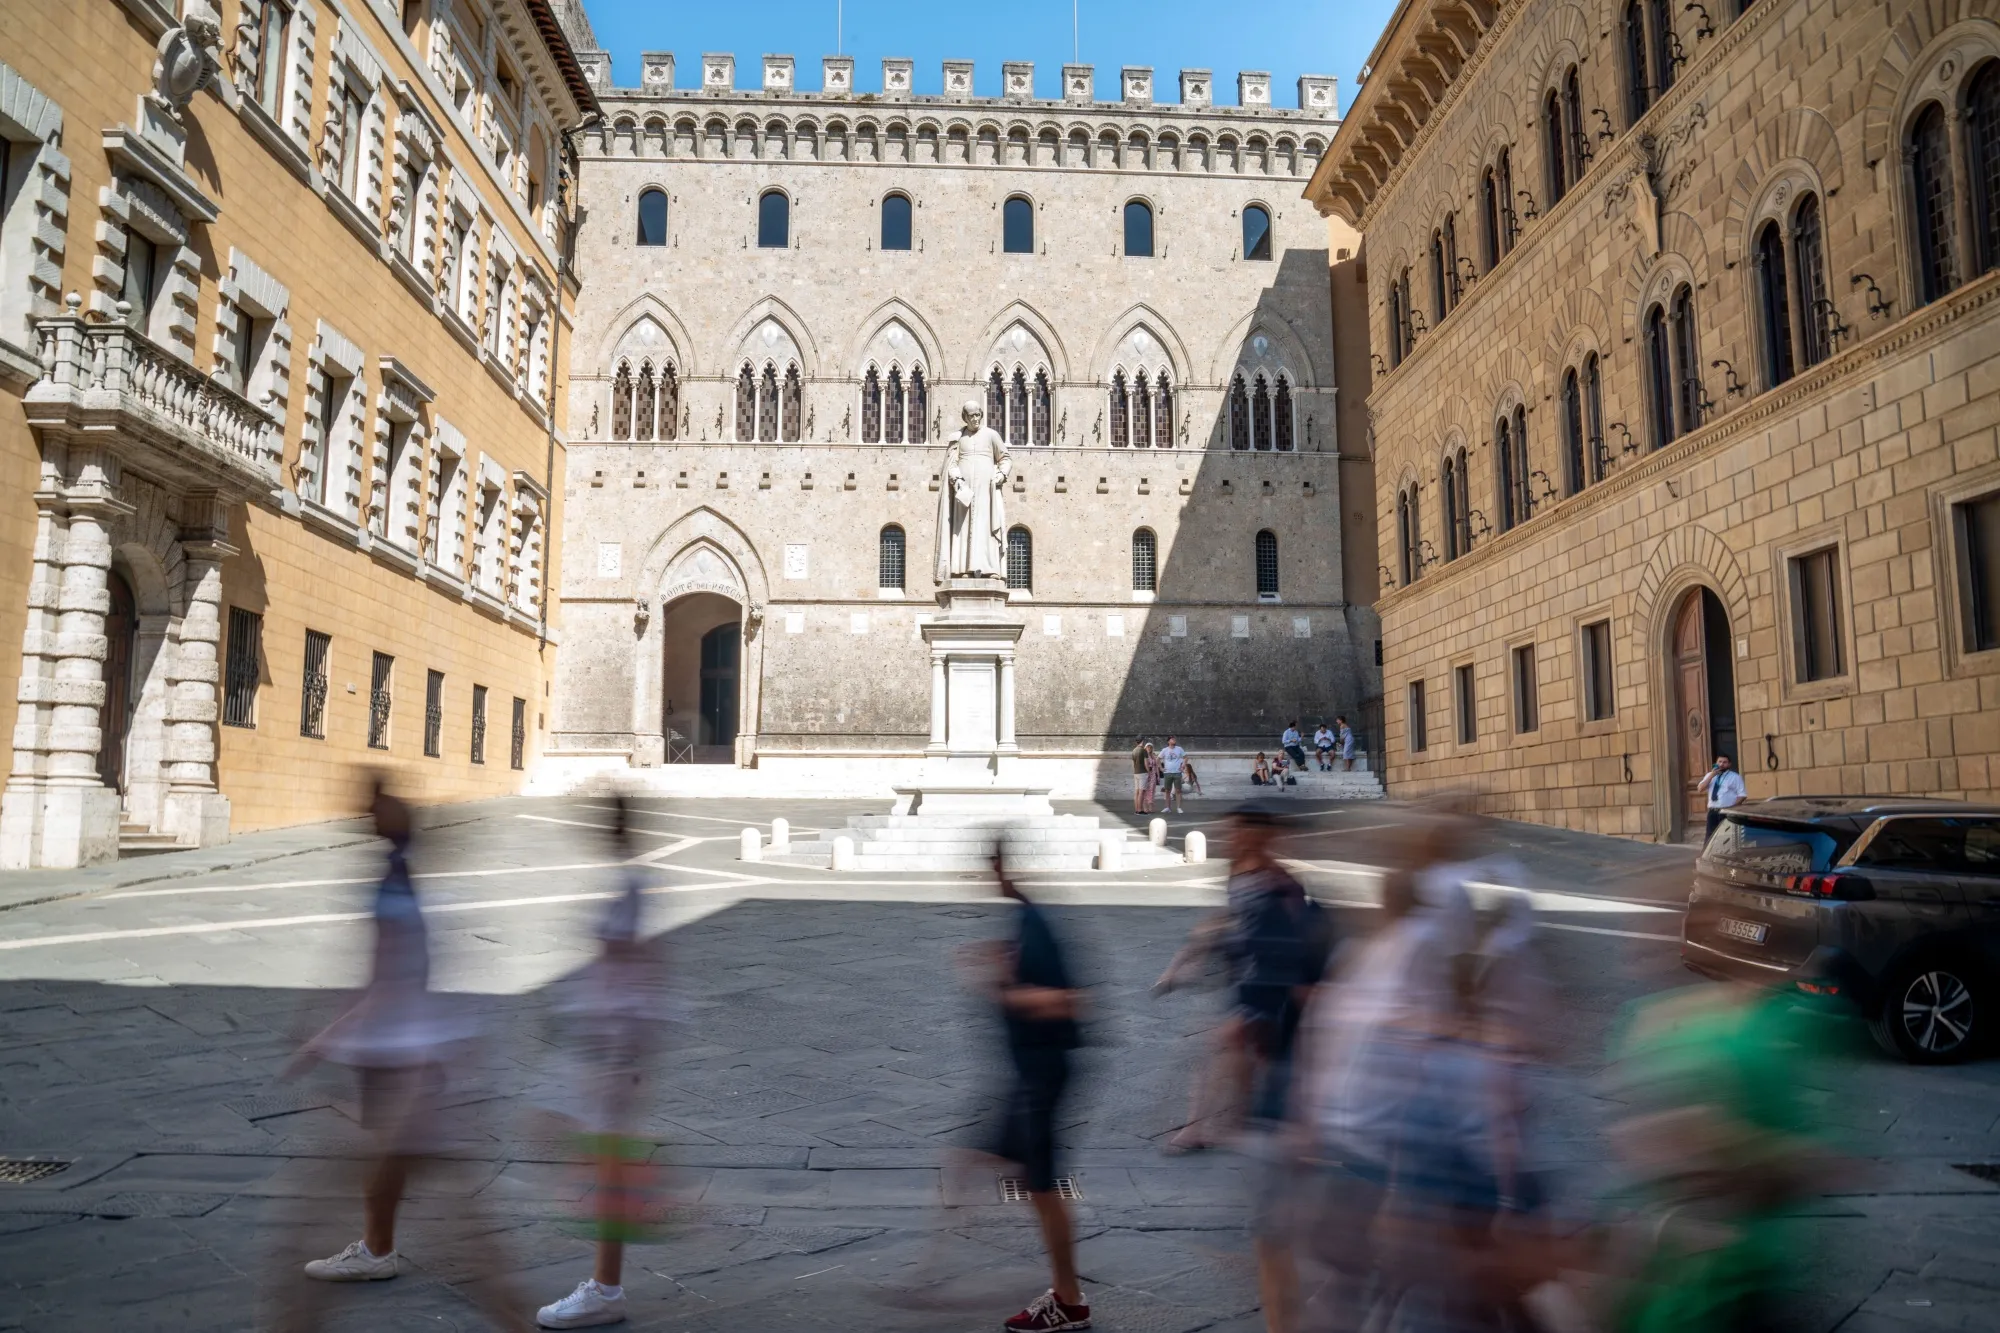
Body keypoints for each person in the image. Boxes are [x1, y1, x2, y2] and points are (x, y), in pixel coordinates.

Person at [532, 797, 676, 1329]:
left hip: (612, 1051)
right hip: (601, 1045)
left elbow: (646, 968)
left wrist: (631, 1052)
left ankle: (605, 1289)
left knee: (606, 1167)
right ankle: (605, 1282)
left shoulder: (634, 886)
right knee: (590, 1157)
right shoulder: (628, 882)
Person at [977, 852, 1091, 1331]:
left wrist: (1005, 987)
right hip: (1030, 1072)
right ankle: (1065, 1293)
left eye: (993, 865)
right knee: (1024, 1176)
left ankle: (1068, 1299)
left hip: (1044, 1072)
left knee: (1043, 1184)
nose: (988, 875)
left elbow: (1071, 1002)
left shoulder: (1036, 923)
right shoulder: (1026, 919)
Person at [1696, 753, 1746, 841]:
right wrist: (1712, 775)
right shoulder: (1710, 775)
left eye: (1724, 762)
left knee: (1726, 837)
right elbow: (1700, 789)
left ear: (1729, 764)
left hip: (1727, 811)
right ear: (1716, 763)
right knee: (1710, 837)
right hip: (1713, 811)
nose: (1721, 764)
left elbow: (1742, 795)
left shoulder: (1735, 777)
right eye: (1719, 762)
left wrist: (1732, 808)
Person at [1158, 735, 1188, 815]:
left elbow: (1185, 757)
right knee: (1167, 790)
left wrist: (1183, 766)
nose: (1174, 740)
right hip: (1168, 773)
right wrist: (1161, 768)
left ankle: (1178, 808)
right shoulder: (1165, 750)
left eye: (1174, 739)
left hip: (1177, 773)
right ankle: (1167, 807)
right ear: (1168, 741)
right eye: (1172, 739)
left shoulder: (1179, 749)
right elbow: (1158, 759)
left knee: (1178, 790)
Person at [1130, 737, 1151, 813]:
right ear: (1142, 741)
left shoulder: (1133, 751)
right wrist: (1149, 772)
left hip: (1136, 772)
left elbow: (1134, 763)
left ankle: (1136, 809)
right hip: (1143, 773)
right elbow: (1146, 763)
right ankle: (1140, 810)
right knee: (1141, 792)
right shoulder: (1143, 751)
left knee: (1137, 792)